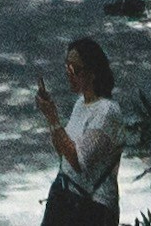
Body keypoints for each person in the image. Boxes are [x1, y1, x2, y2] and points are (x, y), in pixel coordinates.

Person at [40, 36, 124, 223]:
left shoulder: (106, 111)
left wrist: (53, 117)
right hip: (68, 197)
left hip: (92, 207)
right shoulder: (81, 104)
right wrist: (51, 119)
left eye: (75, 69)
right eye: (67, 67)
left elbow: (79, 161)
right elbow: (63, 153)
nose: (69, 74)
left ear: (93, 73)